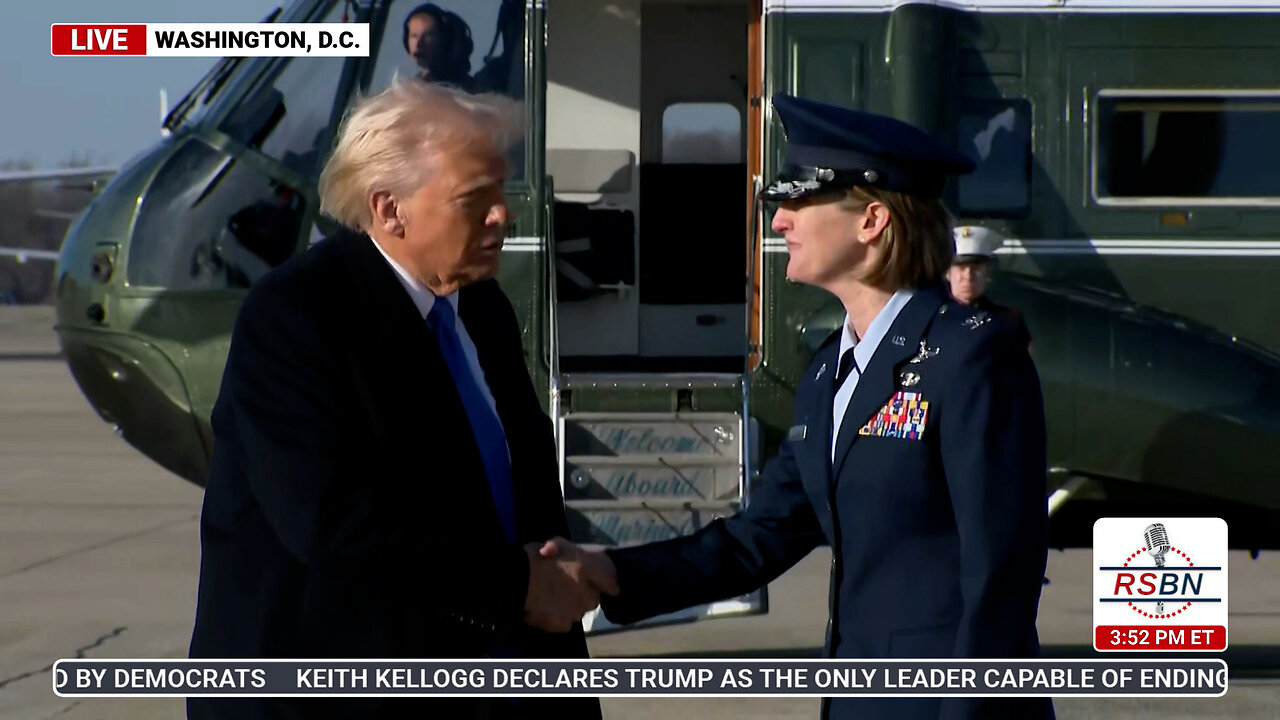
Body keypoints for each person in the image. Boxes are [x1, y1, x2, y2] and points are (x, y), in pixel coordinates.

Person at [546, 95, 1054, 720]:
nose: (780, 219)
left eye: (799, 199)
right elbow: (757, 539)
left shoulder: (973, 357)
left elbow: (1002, 570)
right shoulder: (828, 372)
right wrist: (607, 571)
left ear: (872, 220)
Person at [187, 78, 607, 720]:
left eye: (500, 189)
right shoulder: (298, 316)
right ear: (389, 209)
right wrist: (518, 588)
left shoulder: (483, 308)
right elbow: (333, 524)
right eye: (475, 198)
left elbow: (521, 505)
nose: (503, 213)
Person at [948, 225, 1032, 348]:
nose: (968, 276)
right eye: (961, 268)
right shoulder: (930, 319)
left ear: (988, 272)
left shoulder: (1008, 322)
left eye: (976, 268)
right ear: (947, 272)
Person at [404, 3, 476, 91]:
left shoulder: (469, 92)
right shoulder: (407, 90)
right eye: (414, 36)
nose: (418, 43)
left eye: (428, 36)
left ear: (446, 41)